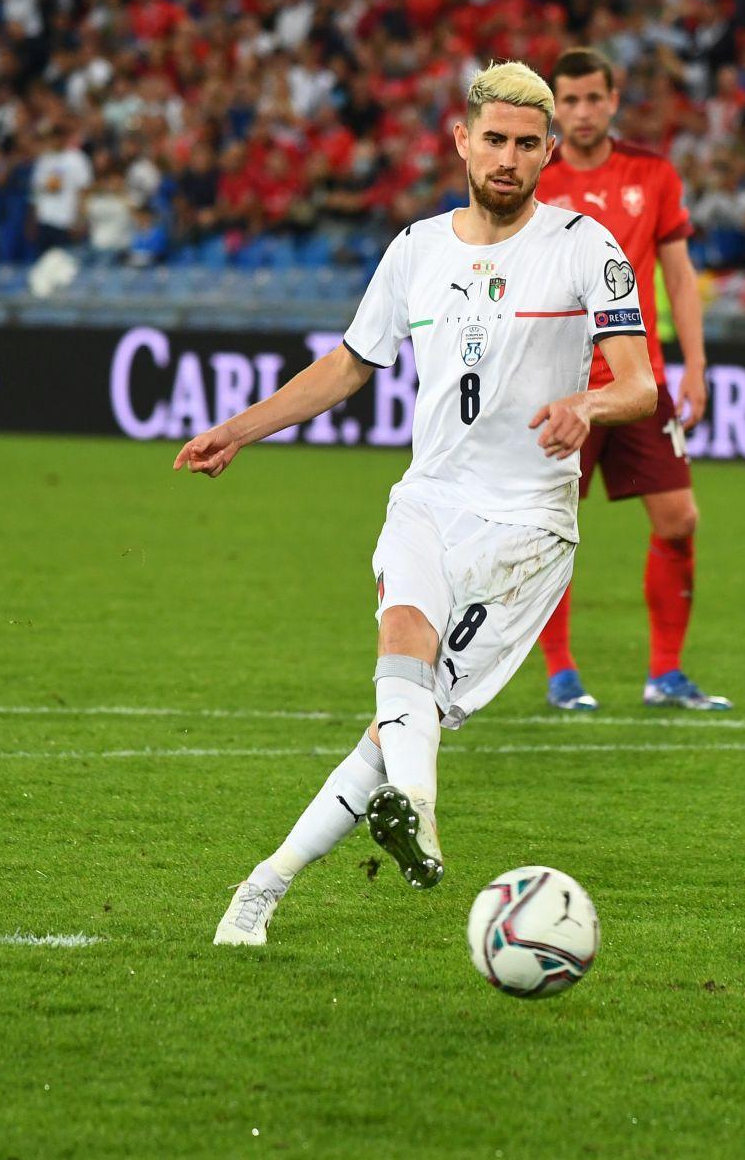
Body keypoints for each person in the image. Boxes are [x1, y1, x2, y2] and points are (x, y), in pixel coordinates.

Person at [192, 62, 656, 946]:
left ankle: (264, 885)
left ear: (551, 151)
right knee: (399, 643)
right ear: (462, 141)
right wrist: (239, 430)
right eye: (496, 140)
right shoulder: (415, 249)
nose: (510, 158)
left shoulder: (584, 246)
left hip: (527, 531)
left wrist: (585, 405)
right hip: (429, 501)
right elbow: (344, 366)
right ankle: (415, 814)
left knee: (399, 721)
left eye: (528, 144)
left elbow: (638, 382)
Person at [530, 47, 731, 713]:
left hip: (638, 381)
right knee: (550, 529)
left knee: (680, 518)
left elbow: (678, 274)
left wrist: (696, 362)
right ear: (554, 105)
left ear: (614, 100)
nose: (582, 111)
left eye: (594, 98)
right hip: (559, 383)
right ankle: (561, 672)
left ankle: (665, 674)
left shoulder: (653, 172)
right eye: (570, 99)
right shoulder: (534, 175)